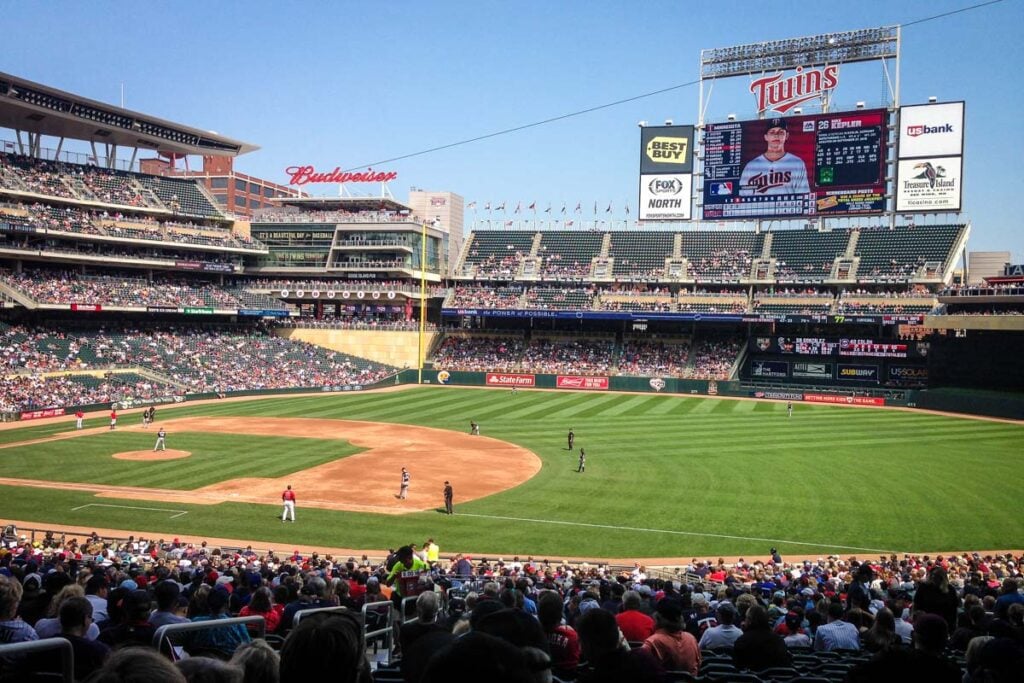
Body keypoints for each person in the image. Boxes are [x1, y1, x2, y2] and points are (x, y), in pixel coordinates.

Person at [739, 117, 810, 196]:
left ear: (787, 136)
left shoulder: (796, 163)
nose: (776, 136)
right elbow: (743, 197)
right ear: (766, 137)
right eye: (772, 132)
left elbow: (804, 196)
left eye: (781, 132)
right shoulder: (751, 166)